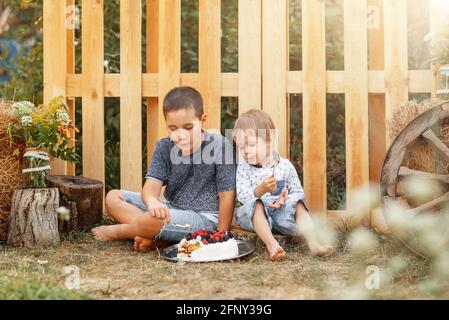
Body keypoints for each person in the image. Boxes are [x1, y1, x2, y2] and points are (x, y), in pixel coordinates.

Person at [93, 87, 236, 252]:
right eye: (173, 128)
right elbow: (151, 186)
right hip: (171, 209)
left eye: (188, 127)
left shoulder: (219, 145)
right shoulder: (164, 146)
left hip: (204, 218)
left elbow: (227, 195)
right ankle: (159, 238)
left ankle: (125, 231)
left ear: (203, 120)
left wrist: (221, 235)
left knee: (151, 220)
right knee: (113, 197)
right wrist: (152, 201)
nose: (181, 134)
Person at [233, 109, 333, 260]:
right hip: (255, 217)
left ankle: (314, 244)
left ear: (268, 142)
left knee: (298, 204)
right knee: (256, 205)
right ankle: (272, 245)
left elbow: (298, 192)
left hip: (280, 214)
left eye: (251, 145)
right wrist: (260, 190)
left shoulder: (284, 166)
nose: (246, 151)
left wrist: (284, 199)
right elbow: (242, 197)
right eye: (241, 147)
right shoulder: (243, 167)